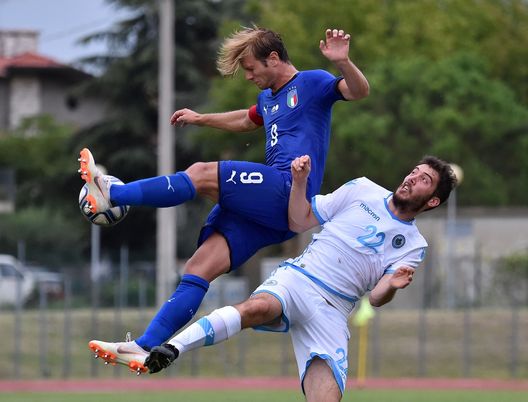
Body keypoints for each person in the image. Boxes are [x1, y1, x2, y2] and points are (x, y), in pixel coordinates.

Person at [83, 26, 369, 374]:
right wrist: (201, 118)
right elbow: (247, 120)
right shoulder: (268, 97)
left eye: (251, 68)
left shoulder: (312, 82)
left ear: (274, 58)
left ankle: (112, 194)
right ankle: (143, 347)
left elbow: (357, 90)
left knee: (202, 173)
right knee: (198, 268)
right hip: (273, 215)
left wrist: (344, 62)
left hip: (289, 189)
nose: (248, 75)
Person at [142, 154, 457, 401]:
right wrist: (299, 181)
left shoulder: (415, 246)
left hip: (334, 312)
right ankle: (172, 349)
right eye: (415, 171)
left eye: (424, 179)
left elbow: (375, 298)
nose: (413, 177)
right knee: (258, 308)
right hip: (300, 279)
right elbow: (300, 218)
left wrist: (391, 285)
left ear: (432, 201)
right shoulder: (362, 189)